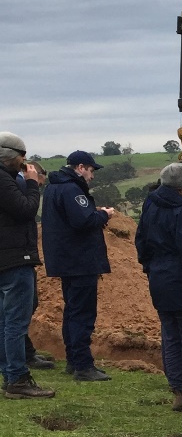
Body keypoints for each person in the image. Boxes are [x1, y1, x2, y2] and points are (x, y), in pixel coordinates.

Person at [135, 163, 182, 412]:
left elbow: (141, 241)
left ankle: (178, 388)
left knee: (170, 335)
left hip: (159, 278)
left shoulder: (150, 204)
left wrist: (151, 268)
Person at [41, 150, 114, 382]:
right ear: (80, 167)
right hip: (80, 261)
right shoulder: (72, 189)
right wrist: (104, 215)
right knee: (82, 313)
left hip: (65, 259)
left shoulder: (53, 187)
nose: (91, 177)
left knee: (72, 311)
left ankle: (74, 361)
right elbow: (83, 221)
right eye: (91, 171)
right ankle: (83, 365)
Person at [0, 132, 54, 398]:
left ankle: (10, 376)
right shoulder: (5, 180)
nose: (25, 162)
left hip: (4, 258)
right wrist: (32, 184)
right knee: (14, 323)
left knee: (4, 321)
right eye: (22, 157)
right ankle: (18, 379)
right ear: (11, 156)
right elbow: (25, 210)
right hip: (13, 259)